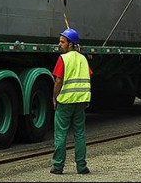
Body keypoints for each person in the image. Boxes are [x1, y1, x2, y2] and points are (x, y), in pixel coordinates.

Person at [51, 28, 91, 175]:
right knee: (80, 134)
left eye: (62, 42)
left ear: (70, 44)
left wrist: (54, 98)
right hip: (80, 103)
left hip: (65, 103)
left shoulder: (63, 59)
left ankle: (57, 167)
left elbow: (58, 81)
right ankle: (81, 167)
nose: (59, 44)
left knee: (61, 135)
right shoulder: (83, 59)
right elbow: (87, 78)